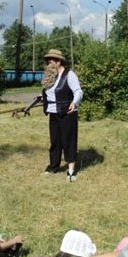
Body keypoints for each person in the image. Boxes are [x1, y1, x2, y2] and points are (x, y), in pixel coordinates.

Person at [41, 49, 83, 181]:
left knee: (68, 141)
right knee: (55, 141)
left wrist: (74, 103)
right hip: (53, 113)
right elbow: (51, 93)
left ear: (59, 62)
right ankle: (53, 167)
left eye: (51, 61)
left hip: (67, 113)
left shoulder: (69, 75)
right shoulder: (51, 76)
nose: (48, 63)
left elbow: (78, 91)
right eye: (48, 61)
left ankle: (71, 171)